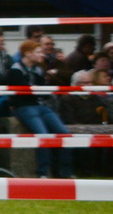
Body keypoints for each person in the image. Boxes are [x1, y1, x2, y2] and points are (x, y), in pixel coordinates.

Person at [10, 40, 73, 179]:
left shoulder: (38, 69)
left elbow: (44, 92)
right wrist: (37, 90)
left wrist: (37, 90)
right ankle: (43, 172)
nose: (41, 55)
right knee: (43, 135)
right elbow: (24, 92)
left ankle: (65, 172)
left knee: (64, 134)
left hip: (41, 106)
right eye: (38, 52)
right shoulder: (15, 70)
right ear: (28, 53)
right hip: (25, 107)